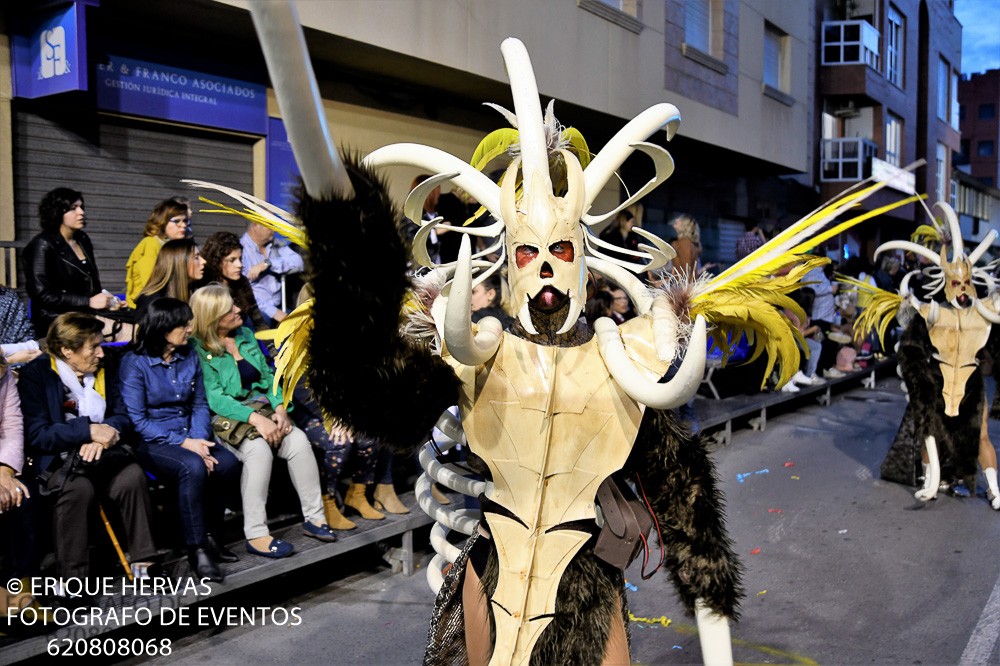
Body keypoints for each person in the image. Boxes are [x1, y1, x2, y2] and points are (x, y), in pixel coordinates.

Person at [189, 285, 336, 557]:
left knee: (299, 442)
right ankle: (256, 534)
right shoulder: (198, 347)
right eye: (229, 309)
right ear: (212, 318)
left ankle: (315, 518)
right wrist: (256, 419)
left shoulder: (245, 334)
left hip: (264, 409)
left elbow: (270, 378)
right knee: (258, 452)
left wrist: (281, 408)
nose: (238, 310)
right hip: (228, 418)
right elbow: (216, 399)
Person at [18, 313, 158, 586]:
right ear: (67, 350)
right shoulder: (37, 374)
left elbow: (122, 414)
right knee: (78, 489)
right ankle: (73, 580)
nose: (100, 353)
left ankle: (145, 564)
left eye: (100, 345)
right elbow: (38, 434)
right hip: (62, 462)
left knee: (131, 477)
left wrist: (104, 435)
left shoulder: (106, 368)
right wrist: (87, 431)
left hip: (105, 453)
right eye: (92, 347)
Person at [119, 298, 241, 582]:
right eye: (183, 324)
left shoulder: (189, 356)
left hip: (190, 434)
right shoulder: (135, 363)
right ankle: (195, 548)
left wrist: (199, 440)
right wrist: (187, 445)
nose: (190, 329)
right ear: (163, 329)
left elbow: (199, 405)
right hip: (153, 440)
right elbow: (138, 421)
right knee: (192, 467)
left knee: (228, 463)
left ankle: (212, 537)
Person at [23, 188, 118, 336]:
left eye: (81, 207)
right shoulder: (42, 244)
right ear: (57, 212)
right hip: (57, 320)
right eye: (73, 208)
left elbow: (90, 283)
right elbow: (41, 294)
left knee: (140, 324)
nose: (81, 212)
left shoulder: (82, 239)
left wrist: (109, 301)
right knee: (131, 332)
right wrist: (88, 301)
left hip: (86, 314)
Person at [198, 231, 270, 333]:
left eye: (240, 259)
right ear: (217, 261)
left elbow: (258, 322)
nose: (239, 264)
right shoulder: (205, 286)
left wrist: (271, 348)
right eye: (232, 260)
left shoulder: (242, 283)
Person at [125, 199, 191, 308]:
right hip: (149, 309)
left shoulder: (172, 245)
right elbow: (151, 285)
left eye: (185, 221)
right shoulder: (151, 244)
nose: (183, 225)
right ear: (162, 221)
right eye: (177, 221)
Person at [241, 221, 304, 325]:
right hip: (257, 310)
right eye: (269, 226)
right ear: (255, 225)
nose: (273, 230)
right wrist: (274, 312)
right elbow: (245, 292)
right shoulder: (241, 251)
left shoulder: (275, 245)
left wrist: (268, 263)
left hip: (280, 307)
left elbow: (299, 262)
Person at [134, 238, 206, 320]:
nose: (203, 261)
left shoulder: (196, 292)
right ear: (180, 262)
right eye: (196, 257)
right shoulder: (153, 301)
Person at [0, 286, 42, 367]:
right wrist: (9, 360)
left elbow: (32, 346)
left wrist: (3, 351)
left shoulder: (8, 297)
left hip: (15, 371)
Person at [670, 214, 702, 279]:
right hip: (685, 285)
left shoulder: (684, 243)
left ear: (685, 224)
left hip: (683, 286)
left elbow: (685, 271)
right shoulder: (687, 243)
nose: (676, 220)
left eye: (680, 219)